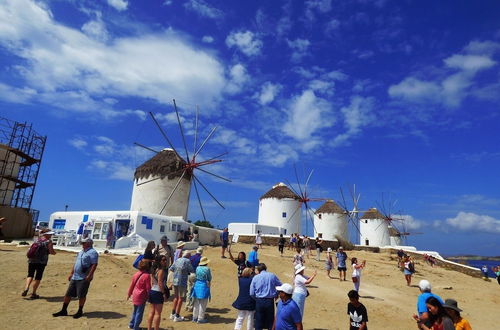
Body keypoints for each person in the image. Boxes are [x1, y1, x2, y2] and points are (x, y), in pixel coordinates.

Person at [52, 237, 98, 318]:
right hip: (75, 276)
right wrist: (71, 273)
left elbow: (94, 264)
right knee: (68, 294)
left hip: (84, 277)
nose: (82, 244)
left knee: (81, 295)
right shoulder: (81, 252)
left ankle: (80, 311)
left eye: (84, 243)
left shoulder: (93, 252)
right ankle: (64, 310)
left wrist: (89, 275)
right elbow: (76, 263)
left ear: (89, 243)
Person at [22, 229, 56, 299]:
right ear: (46, 234)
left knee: (30, 274)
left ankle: (26, 288)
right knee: (38, 277)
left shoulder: (37, 239)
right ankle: (33, 293)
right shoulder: (48, 241)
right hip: (42, 261)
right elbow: (51, 251)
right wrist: (54, 253)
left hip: (32, 260)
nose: (51, 235)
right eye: (50, 234)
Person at [250, 263, 282, 330]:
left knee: (258, 321)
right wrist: (276, 294)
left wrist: (257, 299)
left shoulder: (255, 278)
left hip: (259, 301)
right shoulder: (272, 275)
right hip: (269, 301)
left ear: (258, 270)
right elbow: (280, 286)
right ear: (265, 268)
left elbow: (251, 293)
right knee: (270, 321)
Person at [169, 250, 194, 322]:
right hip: (182, 282)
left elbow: (171, 269)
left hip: (175, 281)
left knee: (175, 298)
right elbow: (191, 270)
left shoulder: (177, 260)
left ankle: (173, 313)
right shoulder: (187, 261)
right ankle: (177, 315)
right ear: (188, 256)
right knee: (181, 298)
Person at [127, 259, 151, 330]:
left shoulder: (136, 274)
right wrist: (149, 296)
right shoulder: (147, 276)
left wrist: (129, 294)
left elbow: (132, 285)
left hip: (135, 295)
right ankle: (136, 327)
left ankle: (131, 324)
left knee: (135, 311)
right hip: (142, 296)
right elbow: (148, 288)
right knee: (139, 313)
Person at [147, 255, 168, 330]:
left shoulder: (153, 270)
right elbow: (160, 282)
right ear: (159, 261)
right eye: (163, 260)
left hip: (152, 290)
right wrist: (163, 293)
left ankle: (149, 328)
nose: (165, 261)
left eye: (165, 259)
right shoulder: (161, 271)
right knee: (157, 313)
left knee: (151, 312)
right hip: (158, 292)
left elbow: (151, 282)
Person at [190, 256, 211, 324]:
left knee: (196, 302)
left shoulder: (197, 268)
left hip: (197, 285)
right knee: (203, 303)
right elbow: (209, 278)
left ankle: (194, 317)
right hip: (204, 286)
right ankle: (200, 318)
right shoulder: (207, 269)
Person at [186, 247, 203, 312]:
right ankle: (191, 306)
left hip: (189, 274)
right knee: (194, 290)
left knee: (189, 290)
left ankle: (187, 305)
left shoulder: (191, 257)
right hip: (195, 275)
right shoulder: (200, 258)